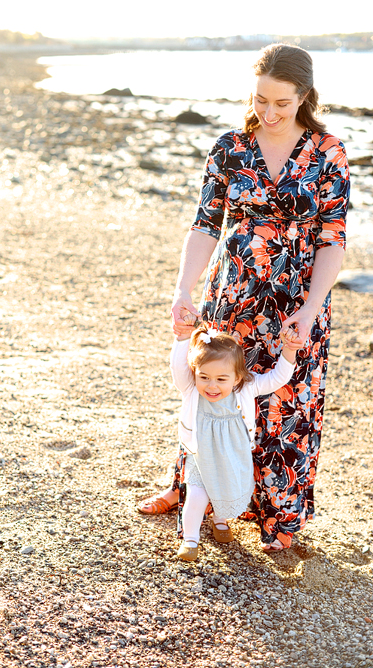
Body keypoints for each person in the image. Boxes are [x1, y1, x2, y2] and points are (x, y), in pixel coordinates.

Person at [138, 43, 350, 552]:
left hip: (297, 298)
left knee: (285, 402)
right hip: (231, 290)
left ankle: (277, 518)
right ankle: (191, 490)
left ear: (304, 96)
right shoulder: (230, 146)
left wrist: (311, 305)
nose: (269, 113)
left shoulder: (329, 151)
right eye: (260, 101)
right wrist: (182, 289)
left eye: (282, 103)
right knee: (210, 390)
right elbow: (205, 225)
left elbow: (333, 238)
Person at [170, 321, 300, 561]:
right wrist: (182, 339)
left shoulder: (246, 388)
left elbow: (277, 378)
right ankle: (190, 540)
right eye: (204, 377)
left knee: (228, 489)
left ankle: (220, 520)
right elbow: (178, 368)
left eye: (221, 379)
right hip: (201, 456)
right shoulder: (190, 389)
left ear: (237, 376)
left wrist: (289, 351)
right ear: (195, 373)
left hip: (233, 456)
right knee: (197, 495)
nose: (211, 385)